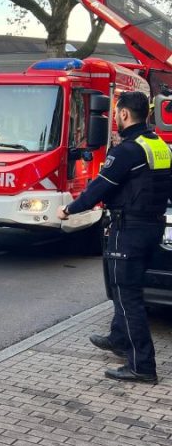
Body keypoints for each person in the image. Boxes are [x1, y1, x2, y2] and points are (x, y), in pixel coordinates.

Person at [58, 91, 171, 384]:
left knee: (127, 296)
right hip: (151, 226)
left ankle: (142, 365)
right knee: (127, 290)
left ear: (124, 114)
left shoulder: (127, 150)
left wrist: (69, 209)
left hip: (129, 229)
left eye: (117, 114)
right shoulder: (158, 146)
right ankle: (119, 338)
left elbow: (99, 188)